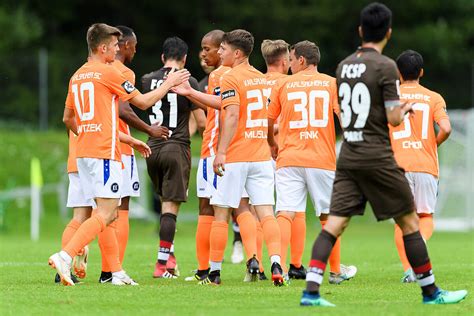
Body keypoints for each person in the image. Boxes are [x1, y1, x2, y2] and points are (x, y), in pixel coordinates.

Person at [300, 3, 467, 306]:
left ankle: (311, 291)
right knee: (411, 223)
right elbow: (392, 118)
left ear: (360, 31)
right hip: (377, 156)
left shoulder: (343, 66)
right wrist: (401, 111)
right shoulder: (387, 66)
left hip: (349, 155)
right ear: (388, 33)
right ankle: (431, 293)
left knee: (335, 224)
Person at [49, 23, 190, 286]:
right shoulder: (108, 72)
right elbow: (144, 102)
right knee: (107, 212)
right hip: (103, 154)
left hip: (85, 153)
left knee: (105, 213)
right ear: (102, 48)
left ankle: (115, 271)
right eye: (115, 45)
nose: (118, 49)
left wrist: (92, 133)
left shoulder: (77, 75)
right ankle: (65, 256)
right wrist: (170, 82)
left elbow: (68, 117)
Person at [268, 40, 357, 284]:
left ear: (302, 61)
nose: (289, 63)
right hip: (321, 158)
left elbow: (269, 118)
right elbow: (344, 117)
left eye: (292, 58)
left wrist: (272, 143)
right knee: (329, 216)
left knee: (285, 213)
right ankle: (336, 271)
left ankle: (282, 269)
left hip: (289, 157)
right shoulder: (331, 84)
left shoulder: (284, 84)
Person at [207, 29, 284, 286]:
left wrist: (221, 152)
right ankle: (275, 263)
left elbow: (231, 116)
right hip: (261, 155)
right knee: (266, 212)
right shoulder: (262, 79)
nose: (219, 52)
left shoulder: (229, 78)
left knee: (221, 212)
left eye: (224, 49)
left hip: (237, 156)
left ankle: (214, 273)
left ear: (237, 53)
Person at [141, 36, 206, 279]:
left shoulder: (147, 80)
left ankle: (170, 258)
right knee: (170, 208)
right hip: (176, 147)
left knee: (164, 205)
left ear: (162, 57)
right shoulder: (189, 81)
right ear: (185, 58)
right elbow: (200, 122)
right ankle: (161, 265)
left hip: (152, 147)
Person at [389, 50, 452, 283]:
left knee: (402, 219)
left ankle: (409, 269)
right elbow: (446, 128)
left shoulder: (389, 98)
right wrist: (433, 144)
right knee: (425, 215)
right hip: (425, 164)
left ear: (398, 73)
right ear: (422, 72)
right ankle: (421, 244)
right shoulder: (434, 97)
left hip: (397, 166)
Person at [259, 38, 290, 278]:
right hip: (281, 150)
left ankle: (257, 262)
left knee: (259, 209)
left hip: (253, 151)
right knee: (288, 210)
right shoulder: (289, 84)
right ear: (283, 60)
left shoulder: (255, 82)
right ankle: (291, 264)